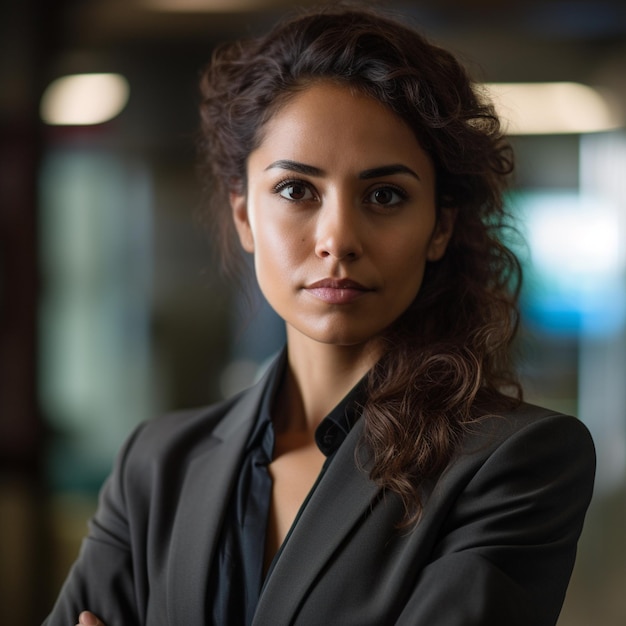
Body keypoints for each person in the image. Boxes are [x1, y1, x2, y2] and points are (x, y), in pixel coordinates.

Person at [44, 5, 596, 626]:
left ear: (439, 226)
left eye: (384, 195)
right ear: (245, 216)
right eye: (295, 190)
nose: (338, 238)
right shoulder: (154, 465)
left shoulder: (516, 462)